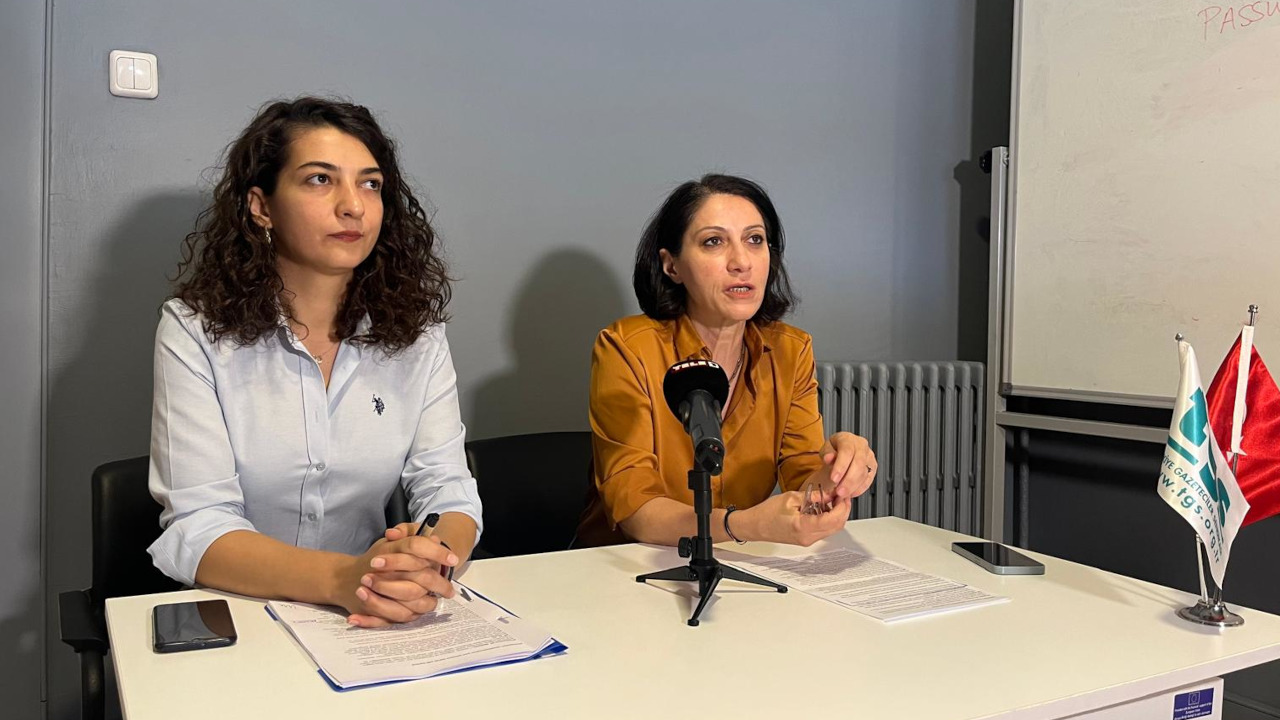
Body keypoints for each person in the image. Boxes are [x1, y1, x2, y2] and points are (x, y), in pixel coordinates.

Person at [148, 97, 481, 628]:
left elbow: (449, 488)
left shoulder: (418, 338)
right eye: (320, 180)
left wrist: (428, 559)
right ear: (261, 206)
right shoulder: (194, 330)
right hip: (239, 613)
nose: (353, 206)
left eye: (370, 184)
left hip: (373, 613)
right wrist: (345, 579)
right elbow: (200, 524)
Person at [576, 174, 877, 548]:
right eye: (713, 242)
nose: (741, 262)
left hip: (735, 557)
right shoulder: (626, 348)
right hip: (624, 562)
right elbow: (635, 510)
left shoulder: (791, 350)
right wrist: (744, 525)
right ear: (672, 266)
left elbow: (805, 479)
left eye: (755, 240)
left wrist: (839, 470)